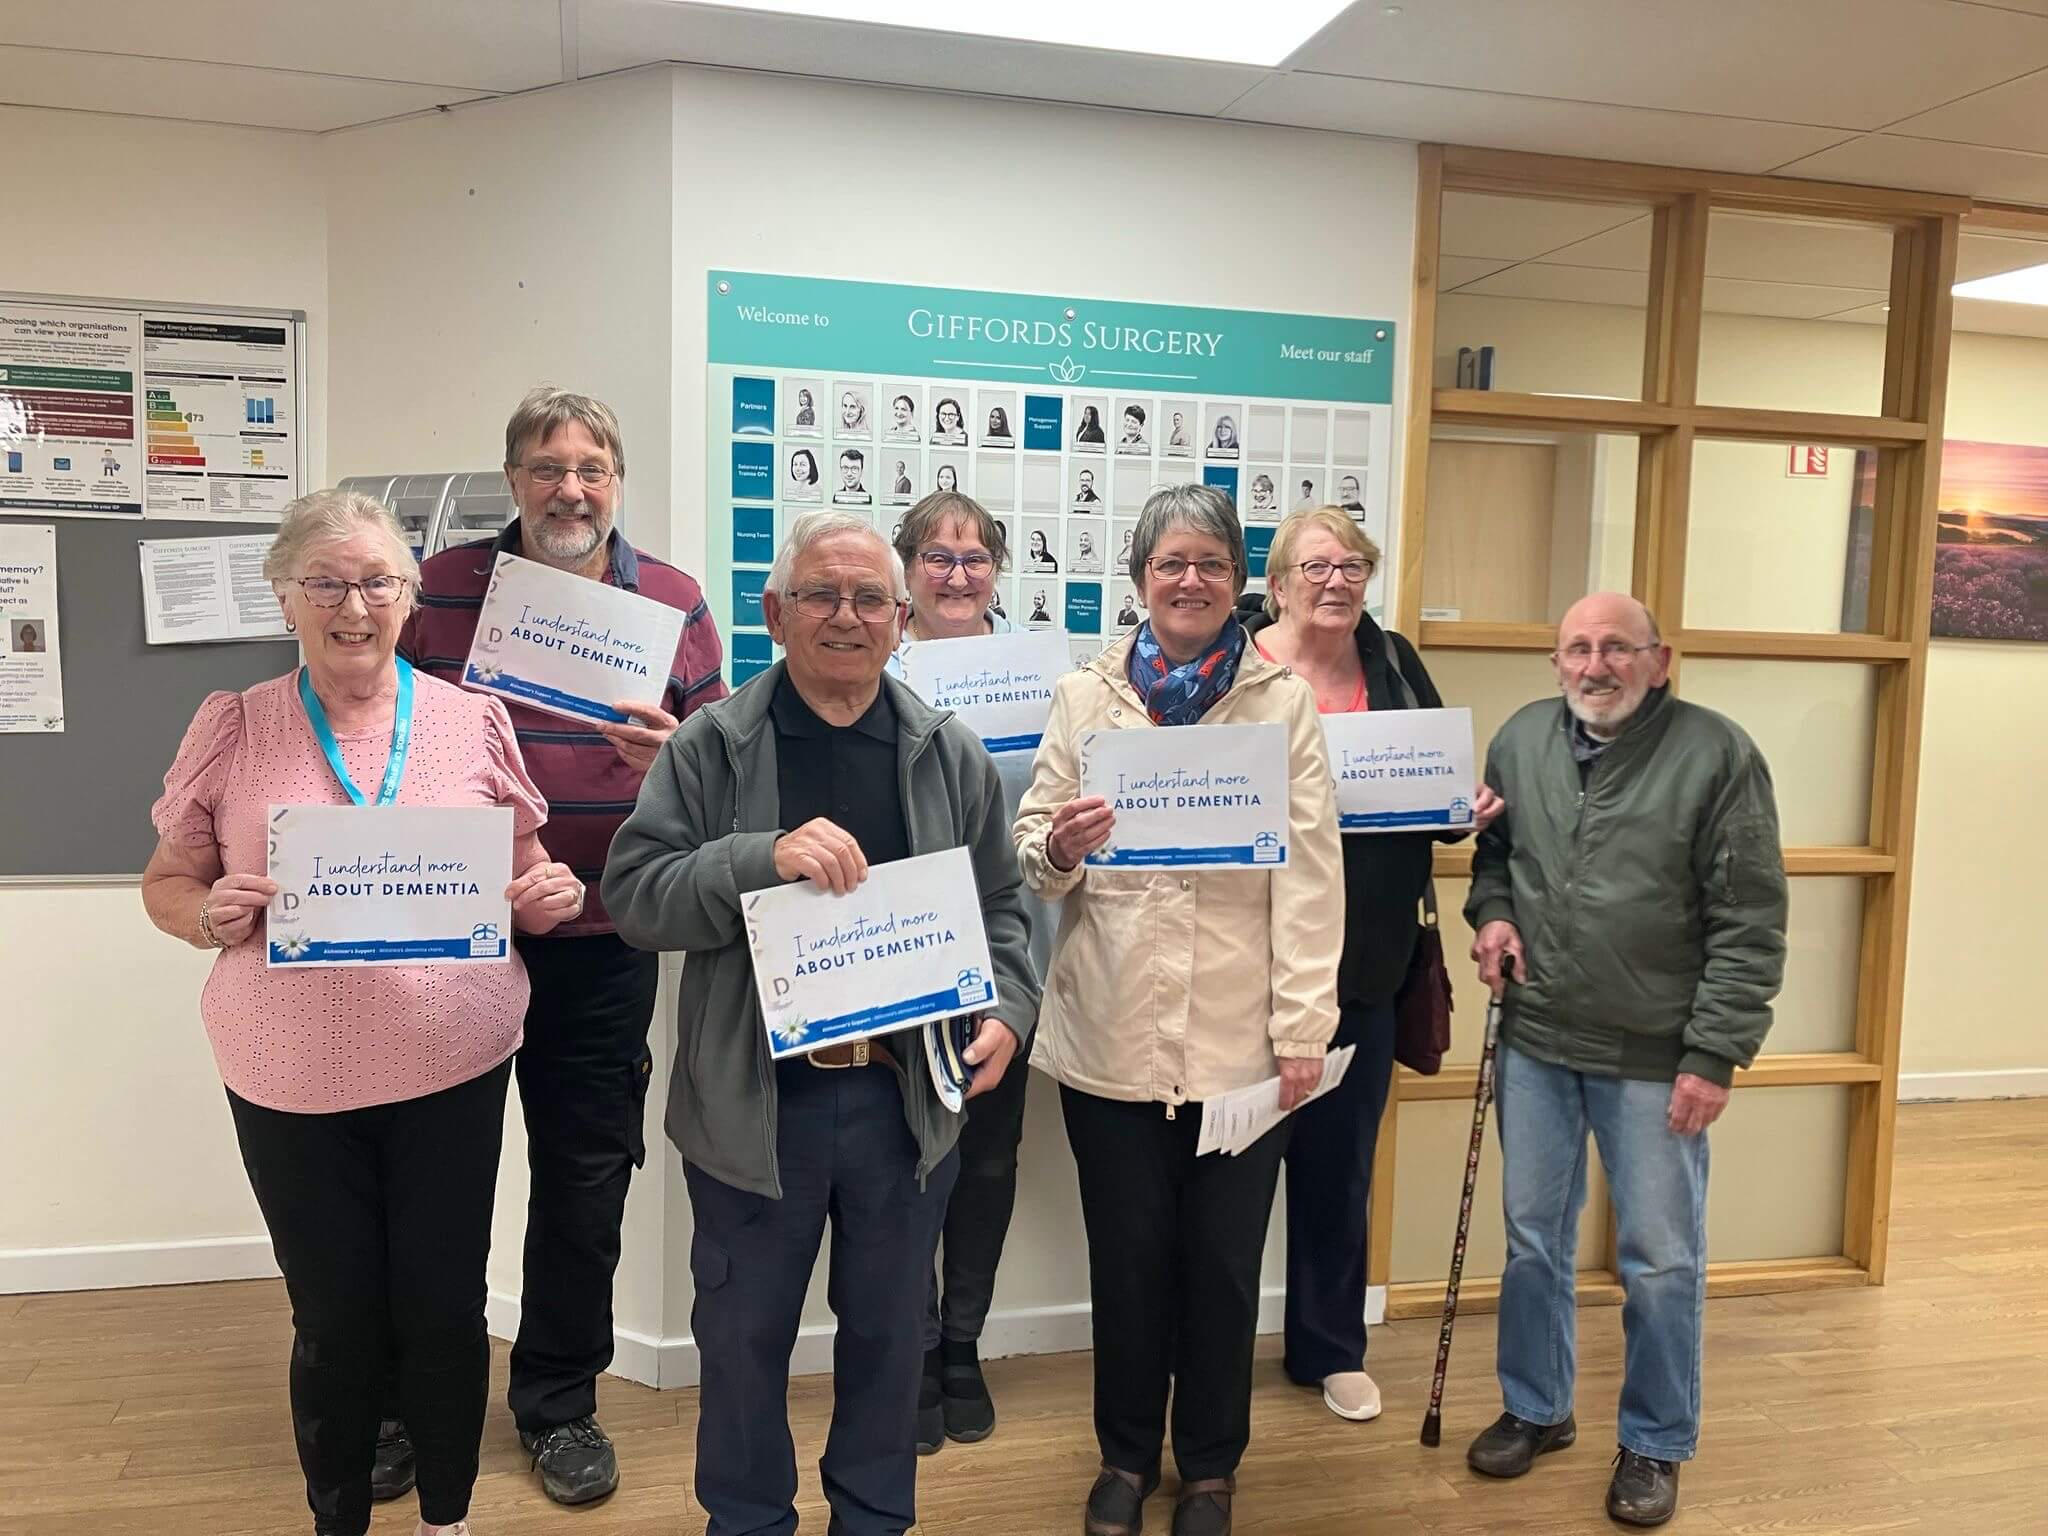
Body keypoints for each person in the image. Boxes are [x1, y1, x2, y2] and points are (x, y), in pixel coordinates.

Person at [142, 489, 582, 1536]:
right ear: (285, 597)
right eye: (327, 583)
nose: (354, 604)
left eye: (378, 581)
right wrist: (204, 915)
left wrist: (547, 896)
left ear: (410, 598)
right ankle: (336, 1516)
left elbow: (529, 870)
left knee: (443, 1309)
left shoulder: (472, 718)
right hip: (285, 1071)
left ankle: (447, 1517)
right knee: (333, 1319)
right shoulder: (235, 724)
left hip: (451, 1061)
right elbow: (168, 880)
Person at [603, 511, 1039, 1536]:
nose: (844, 618)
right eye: (820, 595)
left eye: (867, 600)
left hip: (902, 1105)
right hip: (758, 1111)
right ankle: (748, 1522)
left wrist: (1011, 1010)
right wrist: (758, 857)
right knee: (743, 1342)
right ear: (774, 613)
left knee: (892, 1343)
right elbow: (635, 897)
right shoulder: (715, 745)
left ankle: (873, 1520)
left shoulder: (947, 752)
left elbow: (1006, 906)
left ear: (899, 620)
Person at [390, 388, 726, 1508]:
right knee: (433, 1177)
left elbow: (719, 771)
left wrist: (677, 757)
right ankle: (404, 1396)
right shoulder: (435, 590)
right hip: (451, 931)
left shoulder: (672, 601)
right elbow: (375, 731)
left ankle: (559, 1403)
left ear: (616, 481)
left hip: (603, 934)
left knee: (586, 1178)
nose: (568, 488)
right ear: (514, 480)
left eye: (590, 467)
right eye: (545, 467)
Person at [1015, 484, 1343, 1536]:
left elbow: (1308, 876)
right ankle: (1123, 1458)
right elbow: (1034, 844)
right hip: (1109, 1032)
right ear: (1139, 581)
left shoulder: (1279, 702)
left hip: (1239, 1045)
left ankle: (1207, 1469)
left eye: (1208, 562)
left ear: (1236, 580)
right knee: (1126, 1261)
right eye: (1169, 564)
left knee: (1220, 1268)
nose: (1189, 580)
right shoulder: (1083, 697)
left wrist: (1300, 1030)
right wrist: (1058, 848)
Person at [1462, 592, 1788, 1528]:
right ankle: (1536, 1407)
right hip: (1537, 1039)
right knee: (1532, 1241)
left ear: (1660, 659)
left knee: (1659, 1258)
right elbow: (1498, 860)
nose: (1595, 665)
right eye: (1577, 648)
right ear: (1556, 661)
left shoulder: (1716, 753)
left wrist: (1715, 1053)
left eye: (1617, 648)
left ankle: (1655, 1440)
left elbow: (1751, 915)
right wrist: (1492, 918)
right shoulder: (1522, 739)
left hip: (1656, 1054)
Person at [1235, 508, 1503, 1425]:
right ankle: (1216, 1348)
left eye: (1352, 566)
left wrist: (1460, 808)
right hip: (1243, 966)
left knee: (1339, 1170)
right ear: (1277, 582)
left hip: (1364, 968)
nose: (1337, 581)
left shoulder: (1391, 665)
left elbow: (1435, 803)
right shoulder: (1233, 665)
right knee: (1228, 1180)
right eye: (1316, 566)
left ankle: (1328, 1347)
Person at [887, 491, 1058, 1452]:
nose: (957, 573)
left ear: (998, 569)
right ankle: (908, 1348)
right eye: (938, 557)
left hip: (1008, 955)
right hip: (900, 958)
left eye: (975, 557)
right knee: (910, 1161)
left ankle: (962, 1344)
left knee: (990, 1158)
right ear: (907, 570)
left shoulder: (1046, 675)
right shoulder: (879, 665)